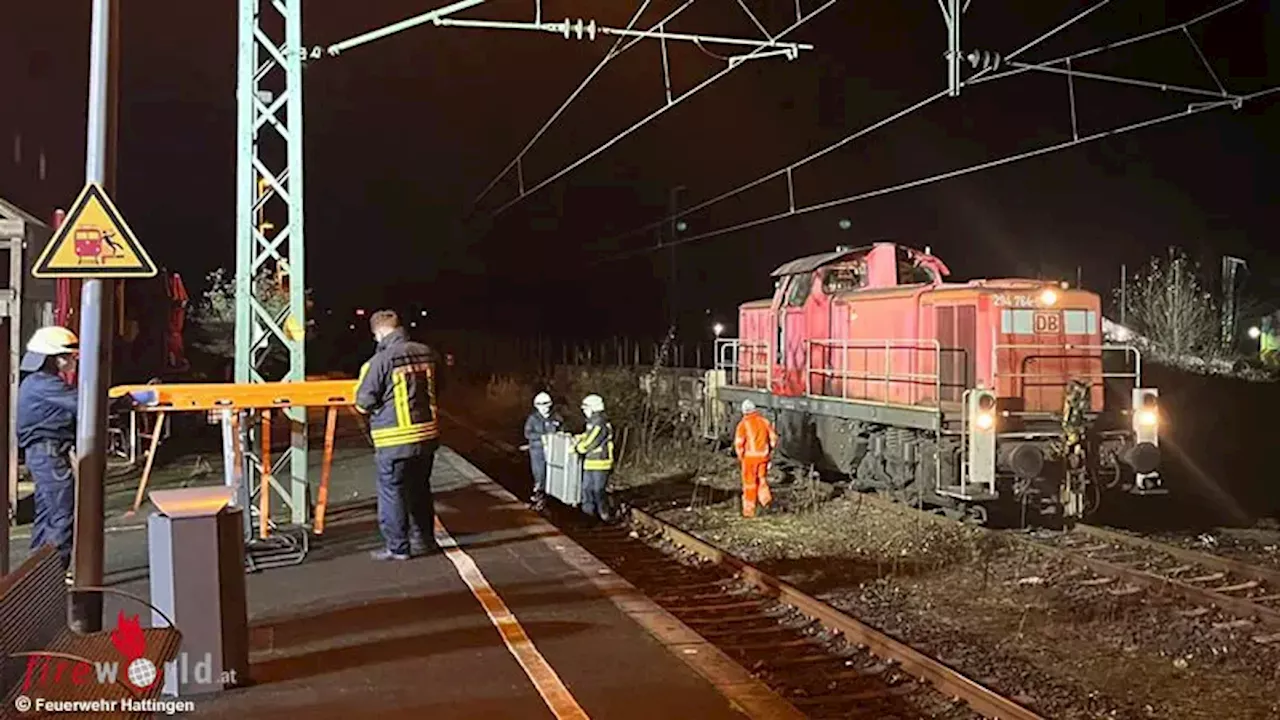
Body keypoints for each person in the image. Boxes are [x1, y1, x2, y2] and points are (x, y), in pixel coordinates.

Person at [355, 310, 442, 560]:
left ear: (380, 332)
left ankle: (398, 547)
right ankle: (425, 540)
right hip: (426, 436)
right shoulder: (428, 352)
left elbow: (364, 402)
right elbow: (440, 387)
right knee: (421, 489)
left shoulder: (381, 361)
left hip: (394, 439)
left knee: (392, 491)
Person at [16, 326, 81, 571]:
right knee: (62, 515)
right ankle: (54, 573)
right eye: (70, 356)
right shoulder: (45, 385)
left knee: (46, 514)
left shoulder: (37, 382)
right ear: (52, 358)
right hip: (49, 454)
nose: (72, 361)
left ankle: (36, 572)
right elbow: (83, 403)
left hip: (43, 454)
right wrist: (124, 400)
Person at [573, 394, 614, 523]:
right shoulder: (593, 421)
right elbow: (588, 435)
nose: (584, 411)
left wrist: (578, 448)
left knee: (598, 490)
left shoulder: (599, 423)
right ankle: (588, 516)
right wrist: (578, 438)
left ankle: (604, 515)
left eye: (585, 408)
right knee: (586, 489)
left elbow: (592, 441)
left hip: (601, 462)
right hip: (591, 462)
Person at [733, 399, 777, 518]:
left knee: (750, 485)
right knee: (762, 480)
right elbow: (773, 439)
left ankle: (749, 511)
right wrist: (769, 453)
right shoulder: (764, 421)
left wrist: (741, 457)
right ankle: (765, 501)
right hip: (763, 458)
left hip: (749, 459)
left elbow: (739, 443)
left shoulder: (743, 425)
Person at [521, 392, 563, 509]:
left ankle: (550, 499)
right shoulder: (533, 419)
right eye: (541, 405)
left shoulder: (556, 417)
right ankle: (539, 496)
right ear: (536, 406)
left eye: (546, 404)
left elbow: (562, 430)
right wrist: (543, 436)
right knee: (539, 474)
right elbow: (528, 433)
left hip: (553, 451)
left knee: (553, 475)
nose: (544, 407)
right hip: (537, 451)